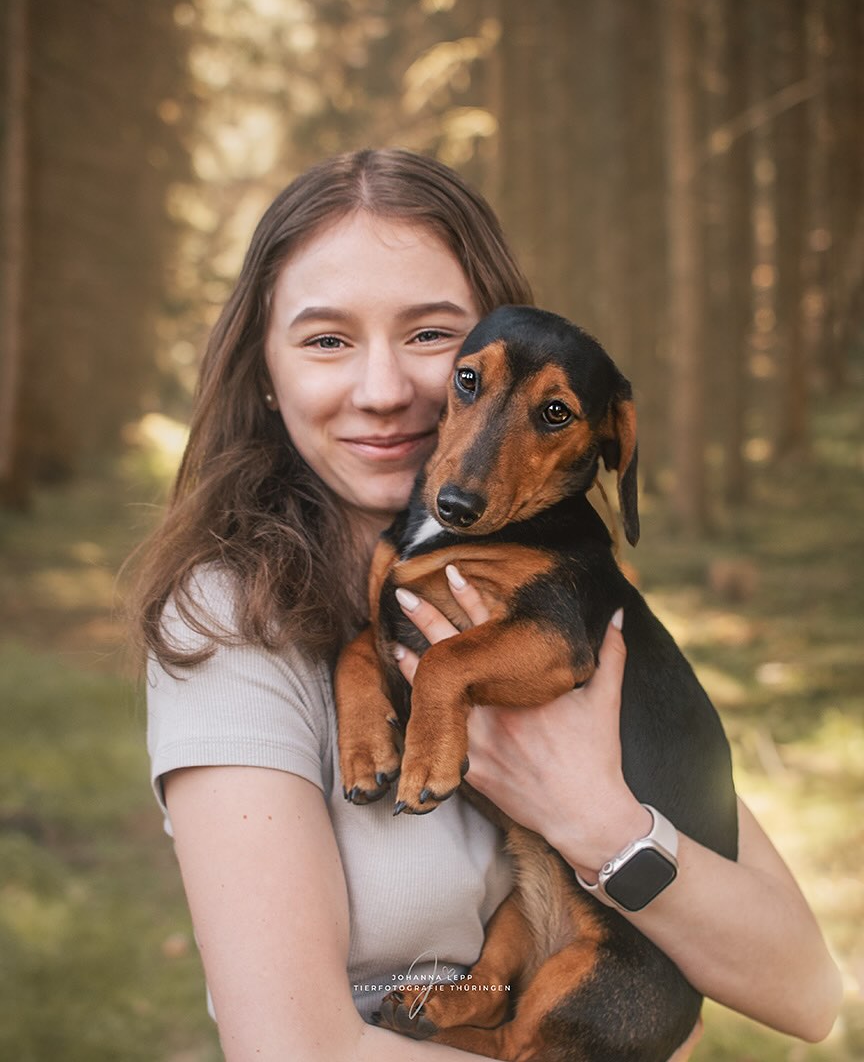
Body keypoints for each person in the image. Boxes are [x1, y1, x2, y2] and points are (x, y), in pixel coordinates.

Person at [134, 148, 841, 1061]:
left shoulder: (563, 595)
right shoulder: (227, 625)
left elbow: (805, 988)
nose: (385, 391)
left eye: (431, 337)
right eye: (325, 339)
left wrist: (599, 821)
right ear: (264, 370)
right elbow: (299, 1050)